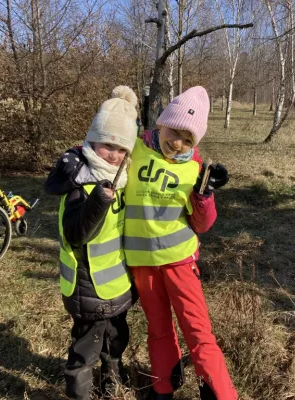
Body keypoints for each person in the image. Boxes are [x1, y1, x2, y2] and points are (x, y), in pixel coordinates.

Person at [123, 86, 237, 399]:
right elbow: (100, 149)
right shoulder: (132, 149)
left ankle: (219, 393)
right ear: (160, 123)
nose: (178, 143)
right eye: (174, 131)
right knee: (158, 329)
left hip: (180, 264)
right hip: (142, 263)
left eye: (188, 139)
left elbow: (203, 224)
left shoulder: (194, 169)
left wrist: (205, 195)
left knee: (198, 332)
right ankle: (163, 389)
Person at [44, 86, 138, 400]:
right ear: (91, 141)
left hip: (117, 286)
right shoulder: (79, 181)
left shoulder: (124, 181)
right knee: (84, 348)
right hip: (86, 289)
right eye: (106, 144)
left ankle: (111, 378)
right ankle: (78, 392)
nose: (113, 154)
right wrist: (98, 200)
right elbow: (76, 232)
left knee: (115, 337)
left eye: (121, 148)